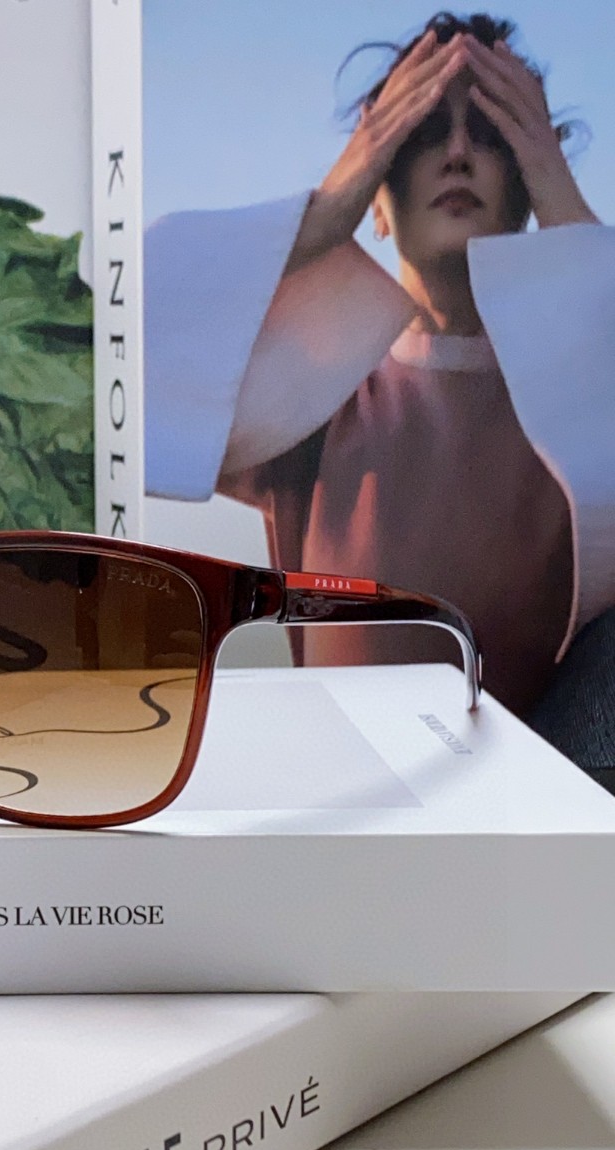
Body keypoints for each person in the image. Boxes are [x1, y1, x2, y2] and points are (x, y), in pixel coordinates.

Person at [144, 12, 615, 718]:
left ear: (527, 190)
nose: (458, 153)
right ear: (379, 201)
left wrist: (567, 216)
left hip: (552, 776)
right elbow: (110, 363)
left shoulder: (583, 402)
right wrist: (323, 213)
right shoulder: (316, 392)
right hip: (355, 774)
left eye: (493, 133)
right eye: (421, 132)